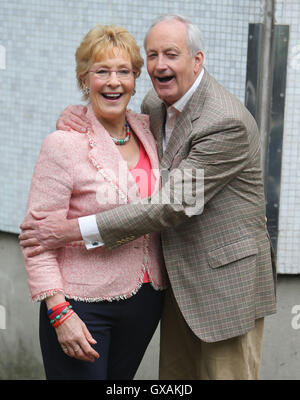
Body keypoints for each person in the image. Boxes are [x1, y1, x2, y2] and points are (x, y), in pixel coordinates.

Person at [20, 14, 276, 380]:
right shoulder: (153, 109)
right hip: (147, 293)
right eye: (152, 54)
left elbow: (171, 204)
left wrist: (73, 230)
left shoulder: (224, 121)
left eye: (171, 54)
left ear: (197, 60)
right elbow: (37, 233)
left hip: (222, 287)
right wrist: (78, 114)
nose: (160, 65)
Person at [20, 24, 167, 380]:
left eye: (124, 72)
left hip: (145, 300)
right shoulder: (63, 143)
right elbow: (36, 239)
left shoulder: (151, 129)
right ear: (84, 79)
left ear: (135, 80)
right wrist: (59, 312)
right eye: (102, 71)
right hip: (81, 305)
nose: (113, 81)